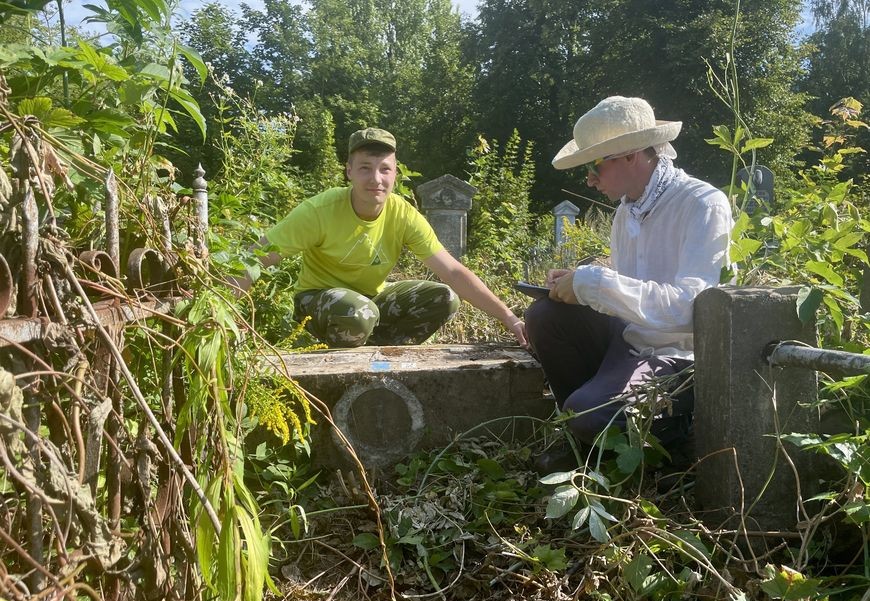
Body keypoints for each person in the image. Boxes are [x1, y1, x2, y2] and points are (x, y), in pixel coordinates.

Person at [526, 96, 733, 473]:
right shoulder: (626, 212)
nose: (590, 179)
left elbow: (690, 308)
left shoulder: (703, 203)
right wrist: (578, 285)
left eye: (595, 166)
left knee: (588, 414)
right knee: (545, 314)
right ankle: (587, 432)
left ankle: (672, 437)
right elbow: (630, 293)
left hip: (678, 357)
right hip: (630, 343)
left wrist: (594, 283)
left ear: (631, 155)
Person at [233, 127, 527, 348]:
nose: (376, 179)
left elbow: (452, 271)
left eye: (384, 169)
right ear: (349, 171)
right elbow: (258, 256)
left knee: (444, 298)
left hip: (371, 301)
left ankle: (385, 358)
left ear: (395, 173)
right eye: (365, 168)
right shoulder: (319, 211)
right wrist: (223, 309)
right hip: (318, 304)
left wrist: (509, 318)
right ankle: (341, 368)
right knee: (360, 313)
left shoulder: (402, 213)